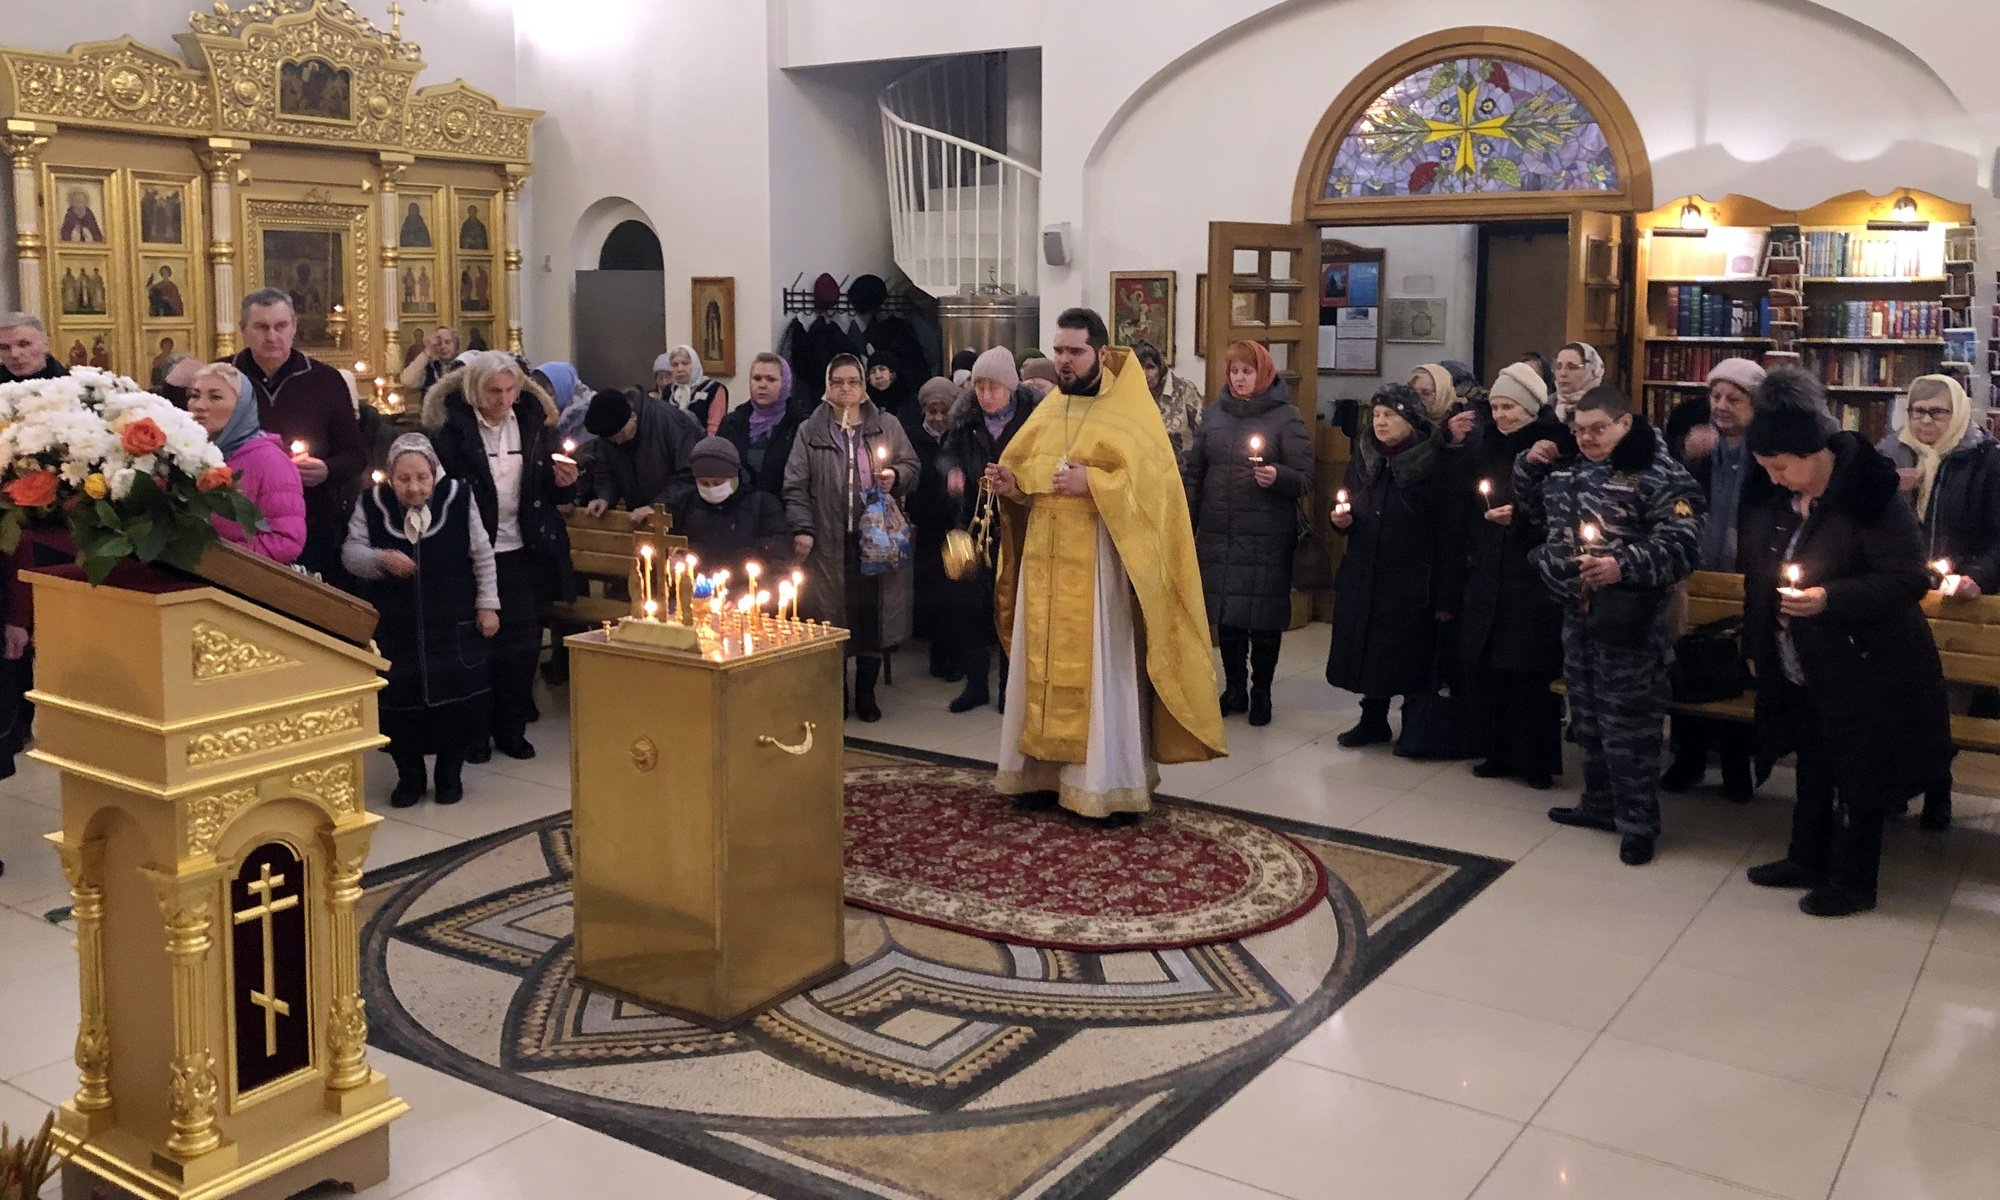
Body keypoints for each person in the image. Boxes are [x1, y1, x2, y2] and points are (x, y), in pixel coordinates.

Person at [986, 308, 1224, 821]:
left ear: (1099, 351)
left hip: (1100, 568)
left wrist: (1095, 484)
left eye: (1074, 352)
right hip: (1044, 564)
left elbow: (1157, 489)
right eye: (1059, 351)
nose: (1064, 361)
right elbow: (1029, 471)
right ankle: (1038, 773)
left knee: (1102, 668)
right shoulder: (1048, 409)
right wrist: (1013, 485)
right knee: (1038, 668)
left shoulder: (1130, 409)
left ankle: (1105, 783)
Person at [1740, 368, 1951, 916]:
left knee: (1859, 770)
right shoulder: (1780, 498)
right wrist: (1759, 643)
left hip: (1868, 661)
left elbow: (1908, 579)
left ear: (1812, 451)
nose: (1778, 479)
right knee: (1813, 760)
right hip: (1803, 659)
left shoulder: (1869, 494)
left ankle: (1855, 881)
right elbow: (1760, 574)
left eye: (1783, 466)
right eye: (1766, 469)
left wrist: (1830, 599)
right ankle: (1805, 857)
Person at [1517, 385, 1703, 866]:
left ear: (1625, 422)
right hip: (1576, 614)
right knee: (1589, 719)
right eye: (1579, 430)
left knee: (1631, 725)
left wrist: (1624, 564)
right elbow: (1535, 512)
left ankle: (1639, 823)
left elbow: (1684, 546)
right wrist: (1529, 466)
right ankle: (1598, 804)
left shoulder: (1660, 474)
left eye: (1598, 428)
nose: (1587, 438)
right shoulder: (1571, 470)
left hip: (1632, 620)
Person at [424, 350, 578, 762]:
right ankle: (476, 733)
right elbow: (443, 493)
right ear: (475, 391)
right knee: (477, 647)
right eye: (494, 391)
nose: (504, 399)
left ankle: (512, 728)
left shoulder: (530, 422)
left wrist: (565, 482)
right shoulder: (452, 431)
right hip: (474, 552)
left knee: (522, 645)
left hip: (524, 549)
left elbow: (546, 487)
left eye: (511, 390)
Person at [343, 434, 497, 807]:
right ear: (391, 477)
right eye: (404, 479)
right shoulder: (371, 502)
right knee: (399, 702)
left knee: (456, 704)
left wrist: (488, 604)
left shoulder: (459, 497)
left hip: (452, 618)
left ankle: (449, 774)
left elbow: (482, 554)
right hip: (397, 623)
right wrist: (380, 559)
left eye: (422, 478)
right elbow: (351, 553)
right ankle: (409, 776)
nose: (414, 487)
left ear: (434, 475)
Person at [1876, 371, 2000, 828]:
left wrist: (1977, 578)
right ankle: (1891, 790)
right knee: (1891, 701)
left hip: (1956, 603)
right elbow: (1862, 520)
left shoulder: (1983, 459)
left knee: (1944, 706)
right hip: (1899, 595)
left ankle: (1937, 790)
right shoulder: (1888, 453)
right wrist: (1889, 493)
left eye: (1937, 412)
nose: (1926, 420)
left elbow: (1997, 535)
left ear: (1957, 414)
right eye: (1917, 411)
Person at [784, 354, 920, 722]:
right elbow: (795, 485)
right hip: (829, 539)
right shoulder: (810, 431)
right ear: (827, 387)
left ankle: (866, 694)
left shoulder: (886, 425)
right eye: (838, 382)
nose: (846, 389)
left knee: (870, 619)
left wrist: (895, 475)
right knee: (834, 617)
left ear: (864, 388)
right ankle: (838, 693)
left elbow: (912, 466)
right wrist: (803, 527)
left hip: (875, 539)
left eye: (853, 382)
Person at [1452, 363, 1568, 788]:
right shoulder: (1487, 446)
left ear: (1532, 408)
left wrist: (1520, 518)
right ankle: (1496, 750)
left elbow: (1561, 511)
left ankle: (1535, 760)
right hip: (1490, 566)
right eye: (1496, 407)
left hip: (1531, 571)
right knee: (1493, 666)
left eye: (1510, 408)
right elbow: (1467, 497)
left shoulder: (1554, 446)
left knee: (1529, 670)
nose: (1501, 416)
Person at [1326, 384, 1461, 746]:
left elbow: (1449, 534)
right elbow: (1350, 504)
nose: (1381, 423)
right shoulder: (1366, 455)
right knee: (1370, 649)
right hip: (1366, 568)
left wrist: (1446, 596)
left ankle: (1416, 726)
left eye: (1390, 415)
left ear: (1410, 419)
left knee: (1407, 650)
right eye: (1377, 415)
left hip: (1412, 576)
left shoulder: (1435, 461)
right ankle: (1373, 718)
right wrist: (1343, 521)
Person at [1187, 341, 1312, 727]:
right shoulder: (1213, 416)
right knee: (1228, 617)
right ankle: (1235, 688)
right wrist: (1187, 520)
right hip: (1218, 532)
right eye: (1234, 372)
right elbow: (1195, 473)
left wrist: (1278, 476)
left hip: (1266, 535)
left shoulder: (1286, 418)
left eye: (1247, 371)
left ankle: (1262, 692)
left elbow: (1305, 477)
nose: (1240, 379)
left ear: (1264, 373)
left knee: (1263, 618)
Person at [1662, 357, 1766, 802]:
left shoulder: (1768, 451)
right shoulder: (1699, 447)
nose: (1721, 407)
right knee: (1691, 658)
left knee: (1737, 665)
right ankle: (1688, 758)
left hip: (1748, 571)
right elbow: (1677, 502)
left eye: (1734, 399)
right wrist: (1687, 457)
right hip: (1699, 568)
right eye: (1716, 397)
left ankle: (1736, 763)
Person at [226, 289, 368, 582]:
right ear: (243, 330)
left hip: (311, 521)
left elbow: (355, 455)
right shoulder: (224, 377)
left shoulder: (325, 380)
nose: (272, 336)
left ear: (294, 327)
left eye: (280, 326)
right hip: (237, 525)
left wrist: (327, 470)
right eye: (261, 327)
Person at [939, 347, 1039, 713]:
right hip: (973, 522)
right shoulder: (966, 422)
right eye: (980, 387)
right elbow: (947, 454)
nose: (986, 395)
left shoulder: (1031, 420)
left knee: (1011, 607)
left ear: (1010, 387)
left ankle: (1009, 689)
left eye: (993, 387)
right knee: (971, 608)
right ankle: (975, 683)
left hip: (1015, 524)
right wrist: (951, 472)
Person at [184, 363, 306, 564]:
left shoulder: (269, 460)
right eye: (195, 395)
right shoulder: (189, 454)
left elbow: (286, 542)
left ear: (241, 407)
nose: (199, 405)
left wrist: (212, 559)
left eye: (215, 397)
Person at [668, 436, 790, 581]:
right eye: (704, 483)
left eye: (718, 483)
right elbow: (672, 547)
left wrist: (750, 595)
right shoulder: (685, 505)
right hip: (696, 594)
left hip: (745, 594)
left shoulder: (762, 505)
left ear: (734, 477)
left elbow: (779, 562)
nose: (711, 488)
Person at [907, 375, 962, 682]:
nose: (939, 419)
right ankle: (937, 656)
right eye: (933, 413)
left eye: (944, 413)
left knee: (956, 594)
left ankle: (955, 655)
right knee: (932, 593)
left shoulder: (962, 437)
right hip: (926, 526)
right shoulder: (913, 439)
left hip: (957, 526)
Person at [580, 385, 702, 524]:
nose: (618, 442)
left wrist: (658, 507)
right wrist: (604, 497)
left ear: (633, 416)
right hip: (639, 518)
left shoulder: (668, 420)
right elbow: (606, 472)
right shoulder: (608, 432)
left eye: (621, 434)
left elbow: (689, 475)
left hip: (681, 518)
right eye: (611, 439)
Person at [718, 352, 805, 497]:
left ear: (785, 383)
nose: (762, 385)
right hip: (738, 509)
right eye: (757, 378)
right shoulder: (732, 422)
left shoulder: (800, 424)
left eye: (771, 379)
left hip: (782, 510)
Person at [1132, 340, 1204, 468]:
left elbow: (1203, 431)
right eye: (1138, 367)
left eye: (1150, 367)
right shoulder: (1129, 393)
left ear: (1160, 368)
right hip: (1142, 471)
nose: (1144, 374)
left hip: (1182, 471)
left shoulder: (1184, 390)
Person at [662, 344, 730, 435]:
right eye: (674, 365)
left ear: (695, 364)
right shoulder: (668, 391)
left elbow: (715, 429)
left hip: (702, 446)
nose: (680, 369)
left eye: (685, 363)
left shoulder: (714, 389)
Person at [0, 314, 67, 383]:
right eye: (4, 348)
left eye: (24, 344)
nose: (14, 354)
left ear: (46, 344)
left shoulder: (72, 386)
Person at [1550, 342, 1606, 424]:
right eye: (1558, 367)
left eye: (1571, 367)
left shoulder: (1605, 407)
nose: (1563, 374)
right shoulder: (1546, 406)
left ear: (1590, 370)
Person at [866, 349, 919, 428]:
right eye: (873, 371)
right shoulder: (865, 403)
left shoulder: (909, 401)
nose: (878, 376)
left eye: (882, 369)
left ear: (893, 373)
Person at [399, 326, 460, 394]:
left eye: (447, 342)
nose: (443, 346)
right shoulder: (429, 366)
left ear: (455, 344)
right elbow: (407, 381)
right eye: (438, 343)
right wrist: (427, 351)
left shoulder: (463, 364)